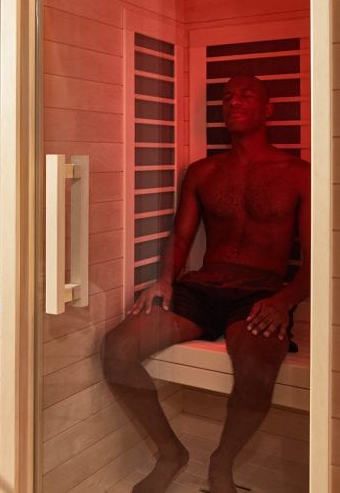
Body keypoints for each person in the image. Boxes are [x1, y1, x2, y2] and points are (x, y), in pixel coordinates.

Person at [102, 74, 310, 493]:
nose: (233, 102)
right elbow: (180, 238)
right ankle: (170, 453)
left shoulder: (298, 174)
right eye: (227, 97)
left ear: (268, 109)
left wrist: (284, 301)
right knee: (117, 350)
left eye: (245, 95)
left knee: (254, 370)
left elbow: (315, 257)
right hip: (201, 288)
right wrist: (163, 281)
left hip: (257, 296)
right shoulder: (202, 171)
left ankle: (221, 465)